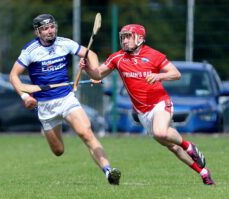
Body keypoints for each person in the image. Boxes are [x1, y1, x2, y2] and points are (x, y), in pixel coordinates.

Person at [81, 24, 215, 185]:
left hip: (160, 103)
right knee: (172, 147)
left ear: (140, 38)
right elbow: (97, 73)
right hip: (142, 113)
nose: (125, 40)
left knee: (160, 132)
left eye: (129, 36)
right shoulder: (117, 58)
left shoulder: (153, 55)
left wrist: (158, 76)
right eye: (123, 36)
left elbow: (176, 74)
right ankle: (203, 172)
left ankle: (188, 146)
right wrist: (87, 67)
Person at [9, 13, 121, 185]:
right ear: (38, 32)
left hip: (66, 98)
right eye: (45, 29)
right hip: (45, 106)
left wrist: (94, 70)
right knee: (58, 151)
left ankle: (108, 171)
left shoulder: (65, 43)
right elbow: (13, 76)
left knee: (86, 133)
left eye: (52, 27)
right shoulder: (30, 51)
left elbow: (90, 54)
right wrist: (25, 96)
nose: (49, 31)